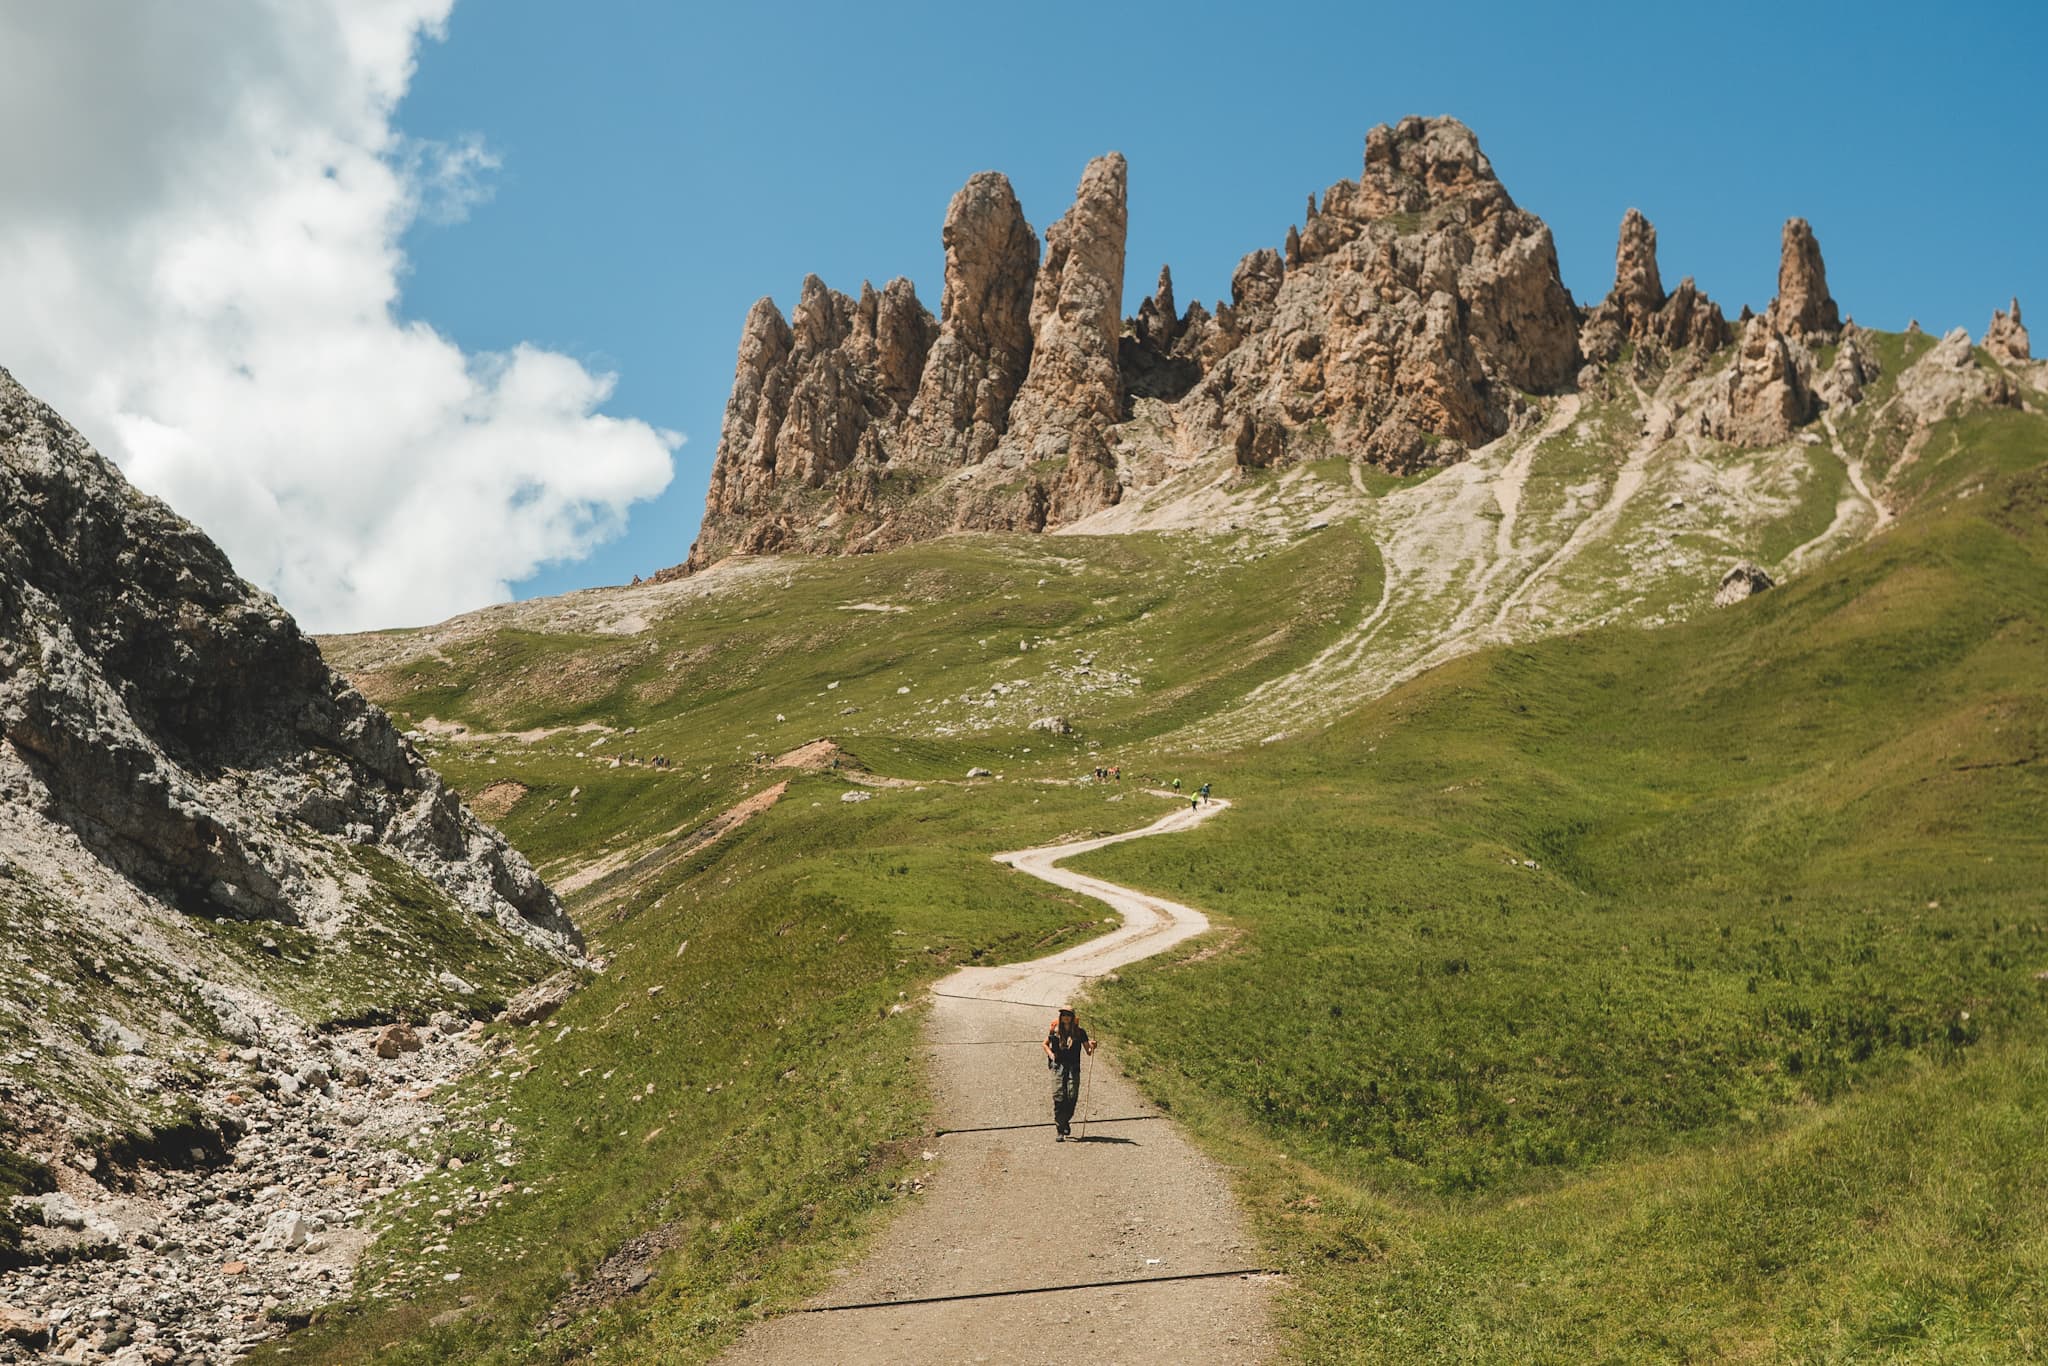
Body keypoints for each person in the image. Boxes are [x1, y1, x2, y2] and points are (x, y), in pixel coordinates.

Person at [1044, 1007, 1096, 1140]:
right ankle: (1060, 1130)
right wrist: (1050, 1054)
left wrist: (1093, 1045)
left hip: (1073, 1067)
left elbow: (1088, 1051)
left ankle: (1065, 1120)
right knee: (1059, 1096)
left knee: (1072, 1096)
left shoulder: (1079, 1033)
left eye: (1069, 1015)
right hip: (1058, 1066)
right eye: (1064, 1015)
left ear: (1073, 1017)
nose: (1066, 1017)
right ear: (1061, 1017)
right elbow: (1045, 1044)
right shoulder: (1055, 1031)